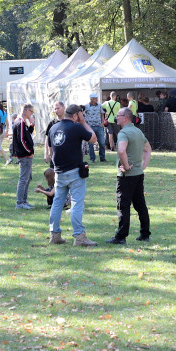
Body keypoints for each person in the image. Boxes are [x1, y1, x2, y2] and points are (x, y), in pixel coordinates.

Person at [48, 104, 98, 247]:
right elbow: (93, 138)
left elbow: (51, 152)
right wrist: (83, 122)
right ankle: (79, 236)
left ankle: (54, 234)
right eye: (80, 115)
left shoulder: (53, 128)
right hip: (74, 171)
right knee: (76, 203)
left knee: (57, 203)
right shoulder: (77, 127)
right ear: (76, 115)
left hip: (59, 172)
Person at [107, 108, 151, 245]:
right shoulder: (138, 131)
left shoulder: (123, 133)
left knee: (123, 206)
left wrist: (125, 166)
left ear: (125, 117)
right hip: (138, 174)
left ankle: (121, 237)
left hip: (126, 177)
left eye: (118, 116)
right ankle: (145, 234)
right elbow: (148, 149)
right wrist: (142, 166)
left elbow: (121, 150)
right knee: (140, 205)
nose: (116, 118)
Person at [12, 104, 36, 209]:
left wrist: (31, 126)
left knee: (27, 178)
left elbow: (27, 135)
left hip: (26, 154)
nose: (31, 114)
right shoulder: (20, 122)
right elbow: (21, 139)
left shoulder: (23, 123)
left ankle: (24, 200)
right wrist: (29, 151)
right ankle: (20, 202)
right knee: (23, 178)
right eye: (31, 111)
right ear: (26, 110)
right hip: (24, 155)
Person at [84, 92, 107, 163]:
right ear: (91, 99)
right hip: (90, 127)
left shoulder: (99, 105)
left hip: (99, 126)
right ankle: (92, 158)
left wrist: (102, 123)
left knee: (102, 142)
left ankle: (102, 158)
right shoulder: (86, 106)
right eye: (95, 98)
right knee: (90, 143)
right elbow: (84, 115)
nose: (97, 99)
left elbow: (102, 114)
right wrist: (86, 125)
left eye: (97, 98)